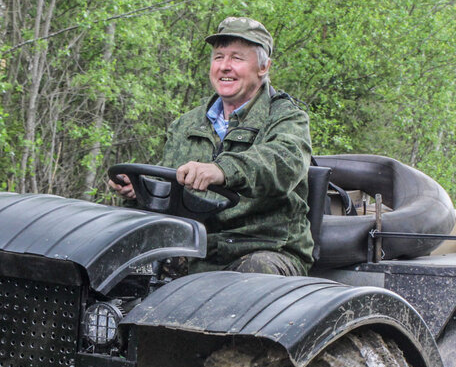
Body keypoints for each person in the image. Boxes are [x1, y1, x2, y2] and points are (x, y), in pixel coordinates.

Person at [109, 16, 313, 275]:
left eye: (237, 58)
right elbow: (168, 190)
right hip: (193, 250)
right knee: (120, 265)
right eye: (218, 57)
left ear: (263, 67)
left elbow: (284, 163)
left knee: (254, 274)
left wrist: (222, 170)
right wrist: (140, 190)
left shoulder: (286, 118)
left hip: (264, 250)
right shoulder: (186, 124)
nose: (225, 67)